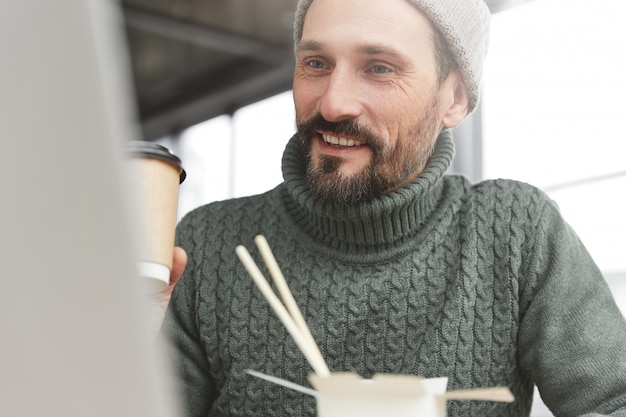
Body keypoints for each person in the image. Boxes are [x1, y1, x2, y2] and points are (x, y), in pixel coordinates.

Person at [160, 0, 626, 416]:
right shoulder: (211, 243)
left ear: (455, 99)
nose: (335, 102)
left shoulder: (513, 231)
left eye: (379, 68)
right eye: (316, 63)